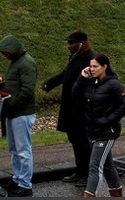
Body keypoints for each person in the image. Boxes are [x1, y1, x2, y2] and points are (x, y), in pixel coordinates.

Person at [72, 53, 125, 197]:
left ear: (104, 67)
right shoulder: (91, 82)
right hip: (93, 131)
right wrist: (82, 77)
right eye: (90, 66)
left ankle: (90, 195)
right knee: (108, 165)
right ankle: (117, 194)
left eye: (95, 66)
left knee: (95, 166)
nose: (92, 69)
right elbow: (75, 94)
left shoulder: (113, 84)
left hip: (107, 132)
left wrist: (108, 119)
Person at [40, 31, 95, 187]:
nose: (69, 46)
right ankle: (80, 171)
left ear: (82, 43)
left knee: (83, 142)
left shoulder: (91, 59)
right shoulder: (75, 58)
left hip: (82, 108)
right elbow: (66, 74)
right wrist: (49, 83)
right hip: (70, 107)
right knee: (74, 140)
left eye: (72, 43)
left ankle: (88, 175)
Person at [0, 35, 37, 197]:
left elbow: (27, 90)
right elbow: (15, 86)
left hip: (21, 113)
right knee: (14, 149)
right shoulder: (16, 61)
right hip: (13, 112)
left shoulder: (27, 63)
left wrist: (12, 104)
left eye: (6, 52)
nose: (5, 56)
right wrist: (0, 85)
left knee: (23, 150)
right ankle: (18, 179)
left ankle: (25, 185)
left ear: (13, 49)